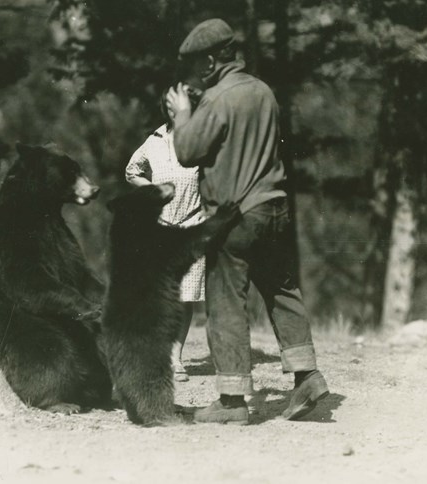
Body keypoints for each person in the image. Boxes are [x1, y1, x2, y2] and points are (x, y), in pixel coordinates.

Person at [166, 18, 329, 424]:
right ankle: (308, 376)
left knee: (224, 302)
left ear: (207, 63)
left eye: (192, 66)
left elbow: (186, 152)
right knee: (281, 289)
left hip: (235, 215)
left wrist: (183, 115)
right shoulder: (261, 91)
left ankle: (232, 401)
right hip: (274, 207)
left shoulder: (217, 100)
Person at [125, 89, 205, 382]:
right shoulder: (154, 141)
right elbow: (131, 171)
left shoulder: (202, 142)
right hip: (160, 226)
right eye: (170, 107)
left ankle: (176, 358)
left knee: (186, 297)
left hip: (193, 224)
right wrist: (151, 191)